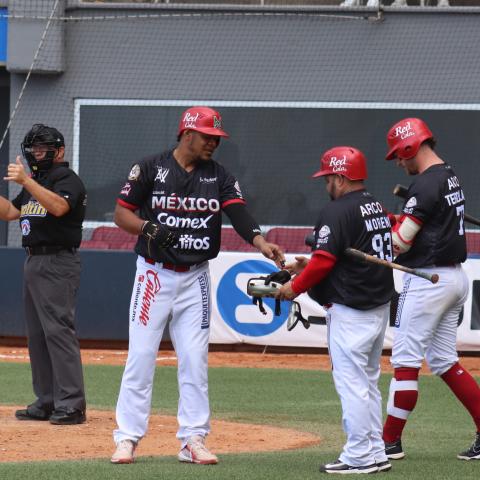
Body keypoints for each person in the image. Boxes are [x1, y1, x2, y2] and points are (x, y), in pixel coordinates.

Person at [110, 106, 285, 465]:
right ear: (187, 133)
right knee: (141, 356)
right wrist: (147, 227)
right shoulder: (149, 168)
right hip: (154, 274)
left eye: (216, 138)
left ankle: (193, 439)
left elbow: (238, 213)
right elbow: (121, 213)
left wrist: (260, 242)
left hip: (195, 277)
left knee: (194, 359)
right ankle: (127, 438)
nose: (213, 143)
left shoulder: (219, 175)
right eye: (208, 136)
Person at [276, 146, 394, 474]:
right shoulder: (375, 206)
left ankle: (358, 456)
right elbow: (340, 256)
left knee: (353, 383)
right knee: (367, 381)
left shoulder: (337, 211)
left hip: (352, 309)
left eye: (328, 177)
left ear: (341, 177)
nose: (326, 183)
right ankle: (374, 451)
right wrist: (305, 265)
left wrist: (293, 288)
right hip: (376, 306)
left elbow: (326, 260)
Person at [382, 117, 480, 461]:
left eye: (399, 154)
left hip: (427, 282)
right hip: (455, 279)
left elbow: (399, 244)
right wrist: (399, 220)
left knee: (405, 363)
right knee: (443, 360)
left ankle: (388, 443)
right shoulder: (449, 174)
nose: (398, 161)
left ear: (411, 147)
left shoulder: (424, 185)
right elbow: (428, 224)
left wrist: (379, 231)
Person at [0, 124, 87, 425]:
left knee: (58, 332)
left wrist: (27, 180)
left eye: (43, 147)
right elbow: (11, 213)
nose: (38, 153)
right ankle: (47, 400)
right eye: (34, 148)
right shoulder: (35, 181)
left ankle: (72, 404)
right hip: (34, 261)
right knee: (37, 335)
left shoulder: (67, 179)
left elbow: (60, 207)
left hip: (57, 260)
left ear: (59, 151)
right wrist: (25, 182)